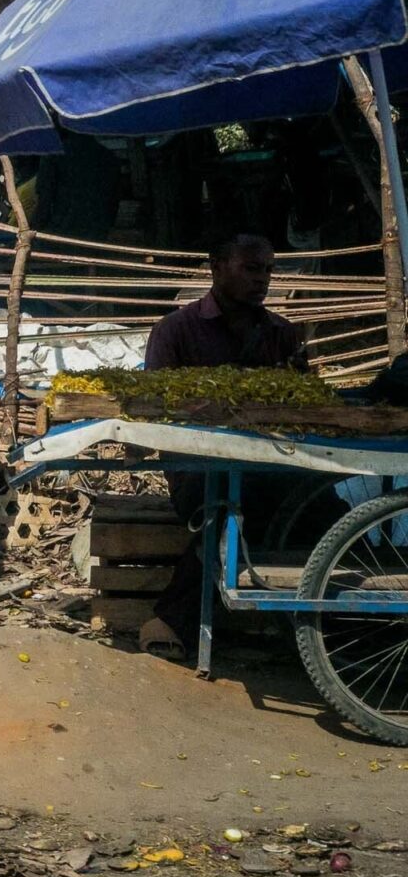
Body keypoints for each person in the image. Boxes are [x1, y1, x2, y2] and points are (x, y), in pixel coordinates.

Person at [141, 232, 314, 657]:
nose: (263, 280)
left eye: (268, 270)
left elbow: (308, 404)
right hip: (196, 470)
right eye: (251, 269)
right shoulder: (175, 331)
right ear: (216, 268)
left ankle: (338, 624)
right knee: (224, 502)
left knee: (322, 505)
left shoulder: (283, 335)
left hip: (271, 466)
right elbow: (155, 410)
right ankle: (174, 618)